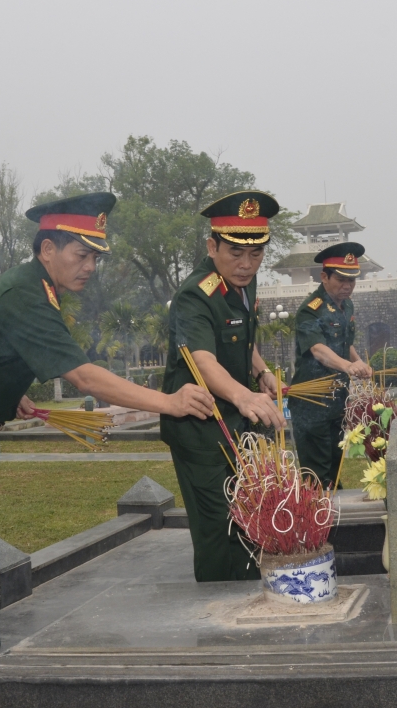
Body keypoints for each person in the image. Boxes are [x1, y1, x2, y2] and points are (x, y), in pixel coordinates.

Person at [0, 192, 213, 703]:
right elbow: (83, 375)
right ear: (47, 248)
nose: (90, 266)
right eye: (81, 253)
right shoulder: (27, 294)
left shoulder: (31, 289)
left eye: (96, 256)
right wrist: (169, 401)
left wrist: (10, 392)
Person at [161, 190, 287, 583]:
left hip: (234, 421)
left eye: (257, 254)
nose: (247, 265)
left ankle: (246, 593)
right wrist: (244, 394)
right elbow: (203, 359)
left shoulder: (243, 283)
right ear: (211, 246)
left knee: (247, 516)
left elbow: (240, 337)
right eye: (236, 253)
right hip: (198, 427)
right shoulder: (194, 295)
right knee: (218, 523)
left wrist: (262, 370)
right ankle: (216, 611)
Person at [289, 242, 375, 488]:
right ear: (324, 276)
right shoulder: (310, 310)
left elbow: (343, 342)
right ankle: (318, 521)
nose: (347, 286)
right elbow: (318, 350)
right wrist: (348, 367)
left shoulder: (346, 305)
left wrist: (358, 362)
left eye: (352, 281)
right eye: (341, 279)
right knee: (317, 476)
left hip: (338, 399)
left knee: (335, 467)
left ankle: (336, 519)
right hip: (312, 402)